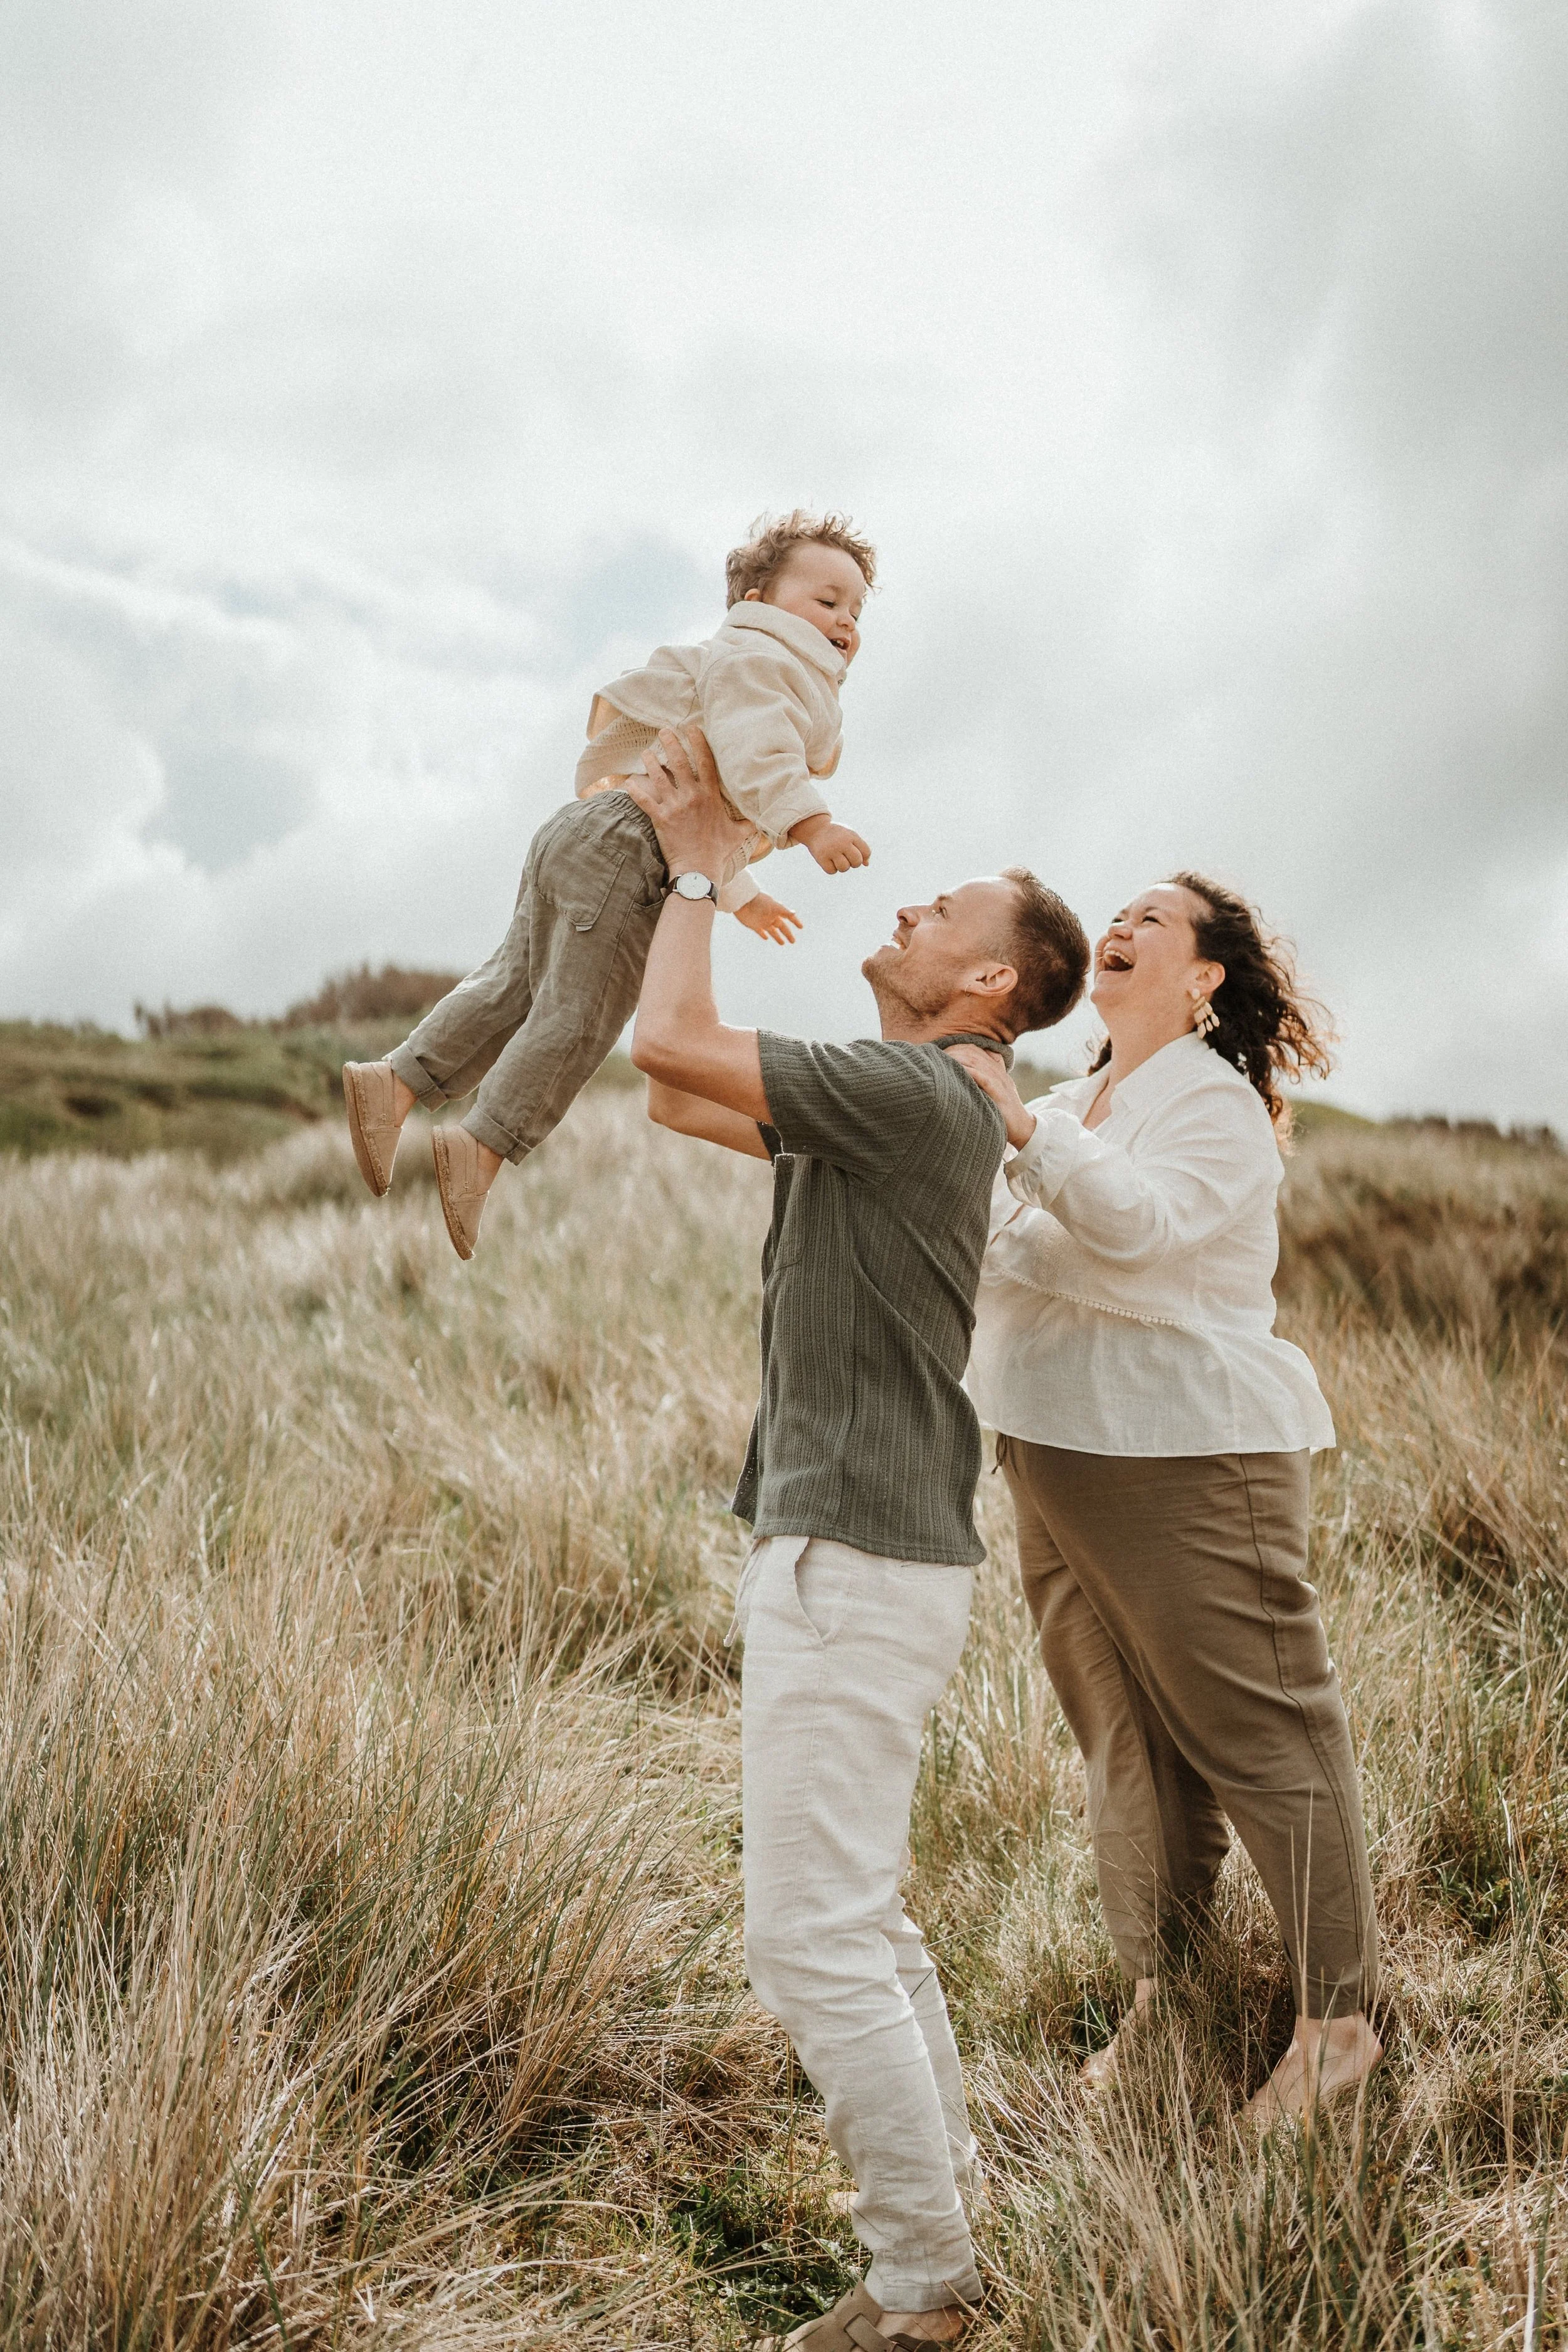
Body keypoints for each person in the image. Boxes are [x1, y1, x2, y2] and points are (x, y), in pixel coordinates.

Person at [625, 727, 1088, 2348]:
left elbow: (670, 1030)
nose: (902, 908)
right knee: (862, 1915)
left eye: (941, 908)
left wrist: (693, 860)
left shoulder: (911, 1096)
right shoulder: (918, 1098)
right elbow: (670, 1078)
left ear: (988, 986)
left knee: (805, 1933)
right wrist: (702, 874)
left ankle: (923, 2286)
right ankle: (943, 2225)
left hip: (854, 1547)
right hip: (872, 1545)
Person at [950, 876, 1382, 2125]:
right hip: (1046, 1444)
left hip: (1185, 1458)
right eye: (1117, 915)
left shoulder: (1215, 1110)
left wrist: (1033, 1161)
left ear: (1204, 978)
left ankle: (1336, 2022)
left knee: (1263, 1733)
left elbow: (1135, 1240)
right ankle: (1166, 1998)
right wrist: (1041, 1166)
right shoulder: (1067, 1100)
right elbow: (1006, 1253)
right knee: (1122, 1741)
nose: (1120, 929)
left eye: (1154, 919)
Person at [339, 511, 876, 1259]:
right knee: (581, 1015)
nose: (845, 621)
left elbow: (707, 794)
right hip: (628, 851)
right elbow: (758, 751)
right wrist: (810, 824)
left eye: (855, 609)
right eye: (826, 601)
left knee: (516, 985)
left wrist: (741, 894)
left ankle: (394, 1083)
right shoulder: (765, 661)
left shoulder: (737, 661)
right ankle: (480, 1147)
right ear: (757, 599)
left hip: (592, 832)